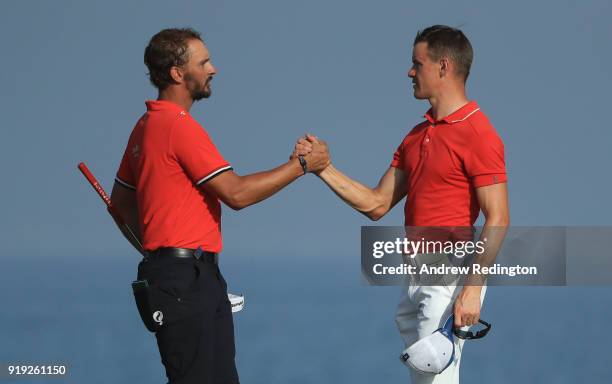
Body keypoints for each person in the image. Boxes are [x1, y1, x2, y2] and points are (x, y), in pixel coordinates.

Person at [110, 28, 329, 384]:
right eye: (204, 62)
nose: (214, 69)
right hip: (186, 280)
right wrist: (302, 166)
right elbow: (236, 193)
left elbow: (120, 205)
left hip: (184, 275)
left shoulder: (145, 125)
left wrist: (159, 248)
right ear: (178, 73)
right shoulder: (178, 127)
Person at [294, 25, 509, 383]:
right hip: (416, 272)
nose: (410, 72)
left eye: (416, 63)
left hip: (450, 271)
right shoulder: (417, 135)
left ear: (443, 66)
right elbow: (376, 204)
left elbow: (499, 217)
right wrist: (322, 168)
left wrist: (472, 288)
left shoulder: (478, 133)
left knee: (437, 380)